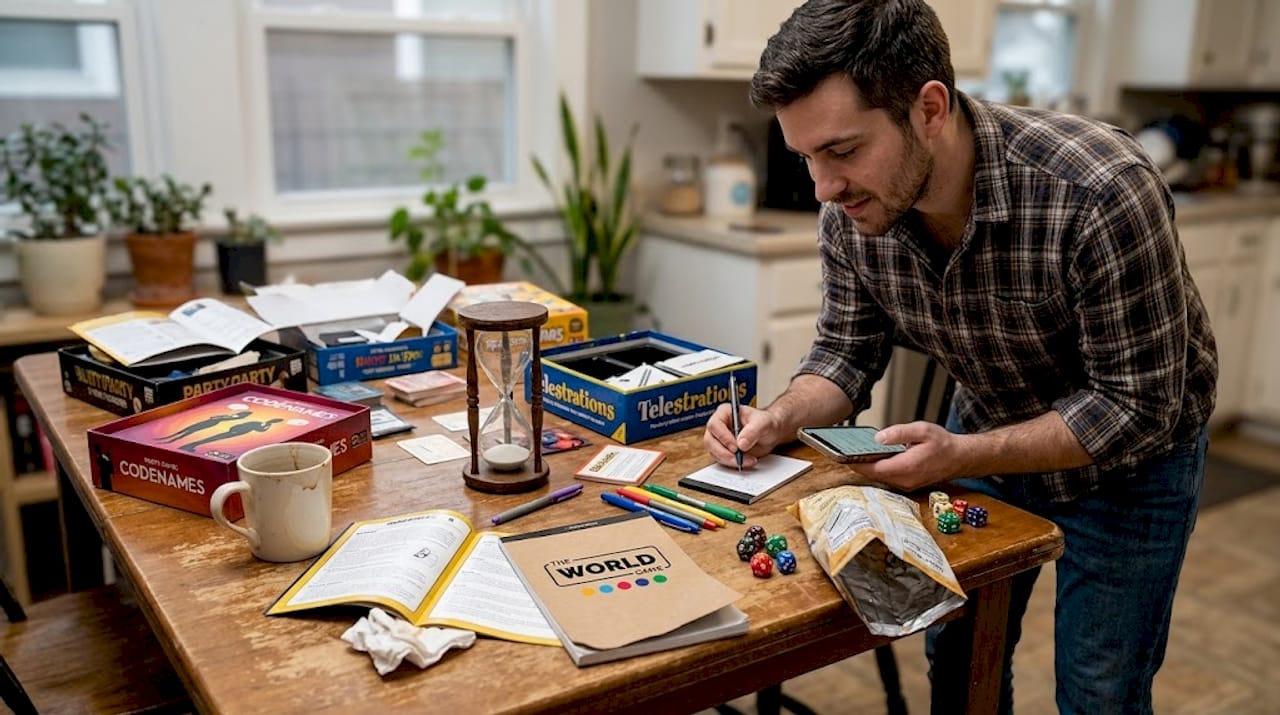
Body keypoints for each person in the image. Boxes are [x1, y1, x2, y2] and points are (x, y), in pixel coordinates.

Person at [702, 1, 1217, 713]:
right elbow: (846, 353)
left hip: (1133, 463)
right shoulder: (853, 212)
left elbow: (1137, 405)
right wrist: (779, 416)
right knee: (956, 647)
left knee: (1100, 688)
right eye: (806, 158)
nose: (823, 188)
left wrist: (962, 452)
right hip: (983, 430)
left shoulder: (1098, 190)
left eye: (844, 151)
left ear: (931, 109)